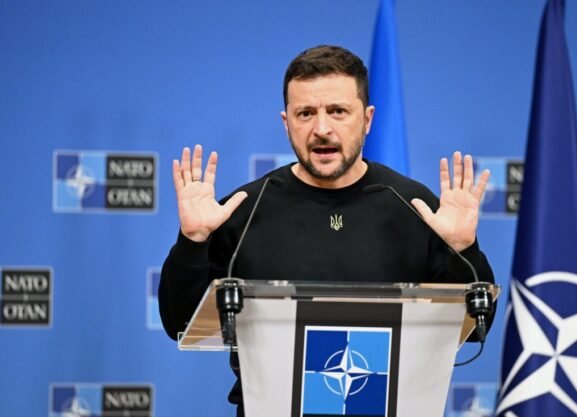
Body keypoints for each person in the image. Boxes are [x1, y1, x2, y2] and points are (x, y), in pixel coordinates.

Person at [159, 45, 494, 417]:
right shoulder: (243, 208)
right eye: (306, 114)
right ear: (286, 123)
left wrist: (464, 249)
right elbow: (180, 323)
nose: (321, 129)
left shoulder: (413, 205)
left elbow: (477, 328)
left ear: (367, 119)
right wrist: (192, 242)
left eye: (337, 111)